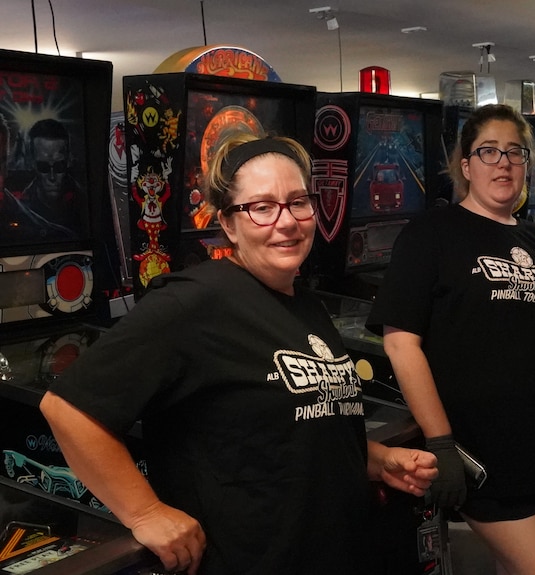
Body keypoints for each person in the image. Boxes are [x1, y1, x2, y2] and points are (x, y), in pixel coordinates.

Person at [39, 134, 437, 575]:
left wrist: (378, 460)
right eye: (262, 208)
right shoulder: (195, 301)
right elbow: (67, 409)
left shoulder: (305, 303)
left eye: (298, 202)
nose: (286, 222)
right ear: (229, 224)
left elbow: (295, 430)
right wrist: (145, 512)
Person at [366, 104, 535, 575]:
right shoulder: (431, 233)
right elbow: (401, 343)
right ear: (466, 166)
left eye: (514, 152)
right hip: (481, 450)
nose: (503, 162)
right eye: (488, 151)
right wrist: (441, 443)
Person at [16, 118, 83, 239]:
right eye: (43, 167)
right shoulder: (20, 207)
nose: (52, 177)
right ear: (33, 164)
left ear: (68, 161)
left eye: (59, 166)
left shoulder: (84, 201)